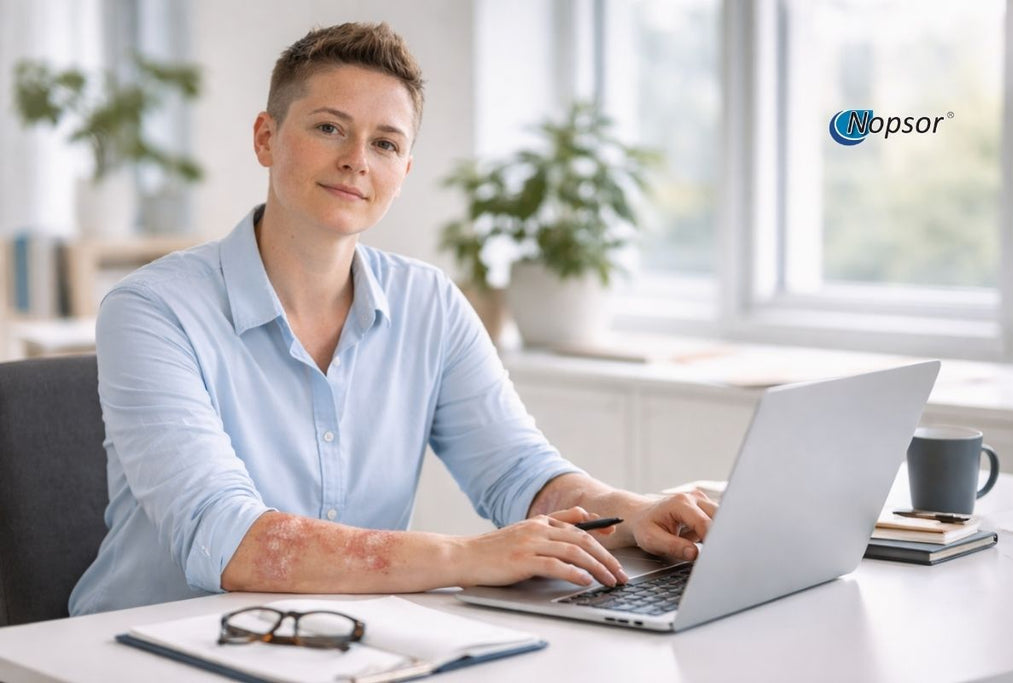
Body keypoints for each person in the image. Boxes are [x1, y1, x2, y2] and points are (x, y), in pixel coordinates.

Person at [69, 21, 716, 616]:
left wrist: (633, 513)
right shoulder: (152, 310)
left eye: (385, 142)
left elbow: (520, 474)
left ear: (403, 172)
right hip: (137, 651)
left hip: (333, 643)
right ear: (266, 138)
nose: (357, 158)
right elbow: (226, 538)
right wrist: (467, 558)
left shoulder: (430, 304)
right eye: (329, 127)